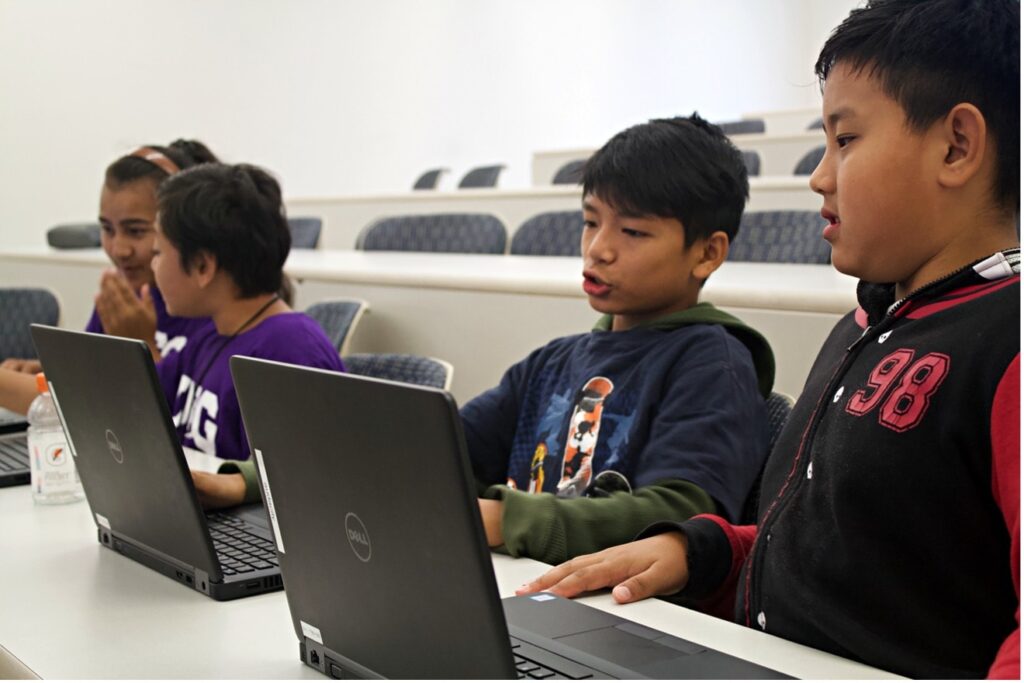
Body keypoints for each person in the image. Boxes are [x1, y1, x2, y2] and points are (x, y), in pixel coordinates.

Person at [519, 0, 1019, 678]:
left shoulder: (1006, 341)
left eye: (844, 140)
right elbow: (843, 552)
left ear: (956, 145)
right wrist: (704, 554)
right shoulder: (866, 325)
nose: (818, 175)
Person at [194, 114, 775, 567]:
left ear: (707, 252)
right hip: (520, 585)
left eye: (633, 231)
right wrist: (247, 479)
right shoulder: (554, 361)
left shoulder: (713, 362)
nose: (599, 247)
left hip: (624, 618)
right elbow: (427, 448)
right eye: (590, 221)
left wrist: (504, 519)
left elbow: (687, 517)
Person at [0, 141, 218, 413]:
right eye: (107, 229)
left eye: (136, 231)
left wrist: (144, 351)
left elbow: (173, 416)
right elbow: (95, 380)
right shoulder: (123, 295)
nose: (119, 249)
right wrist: (53, 374)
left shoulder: (206, 307)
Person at [151, 162, 344, 467]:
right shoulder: (212, 334)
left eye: (158, 253)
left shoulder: (290, 352)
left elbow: (304, 477)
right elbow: (140, 399)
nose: (153, 267)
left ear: (203, 267)